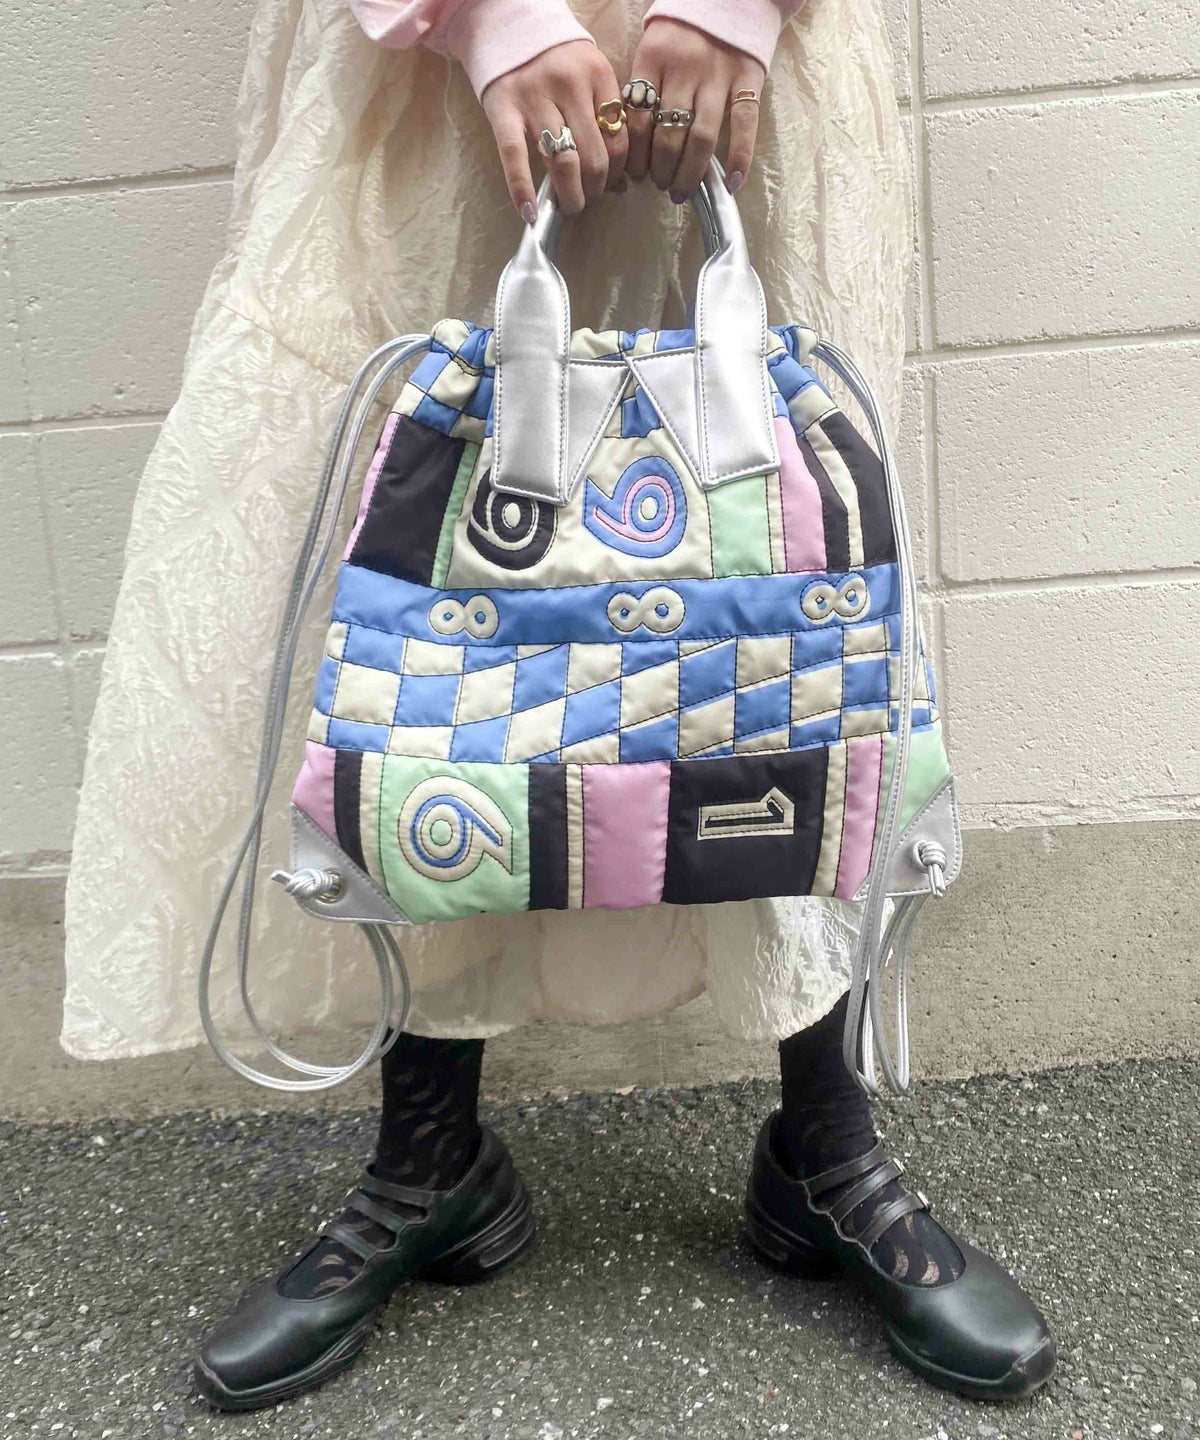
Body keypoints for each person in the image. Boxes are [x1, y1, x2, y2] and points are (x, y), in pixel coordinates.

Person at [60, 0, 1055, 1415]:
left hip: (759, 40)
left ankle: (825, 1153)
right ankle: (431, 1161)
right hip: (434, 58)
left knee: (791, 577)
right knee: (428, 580)